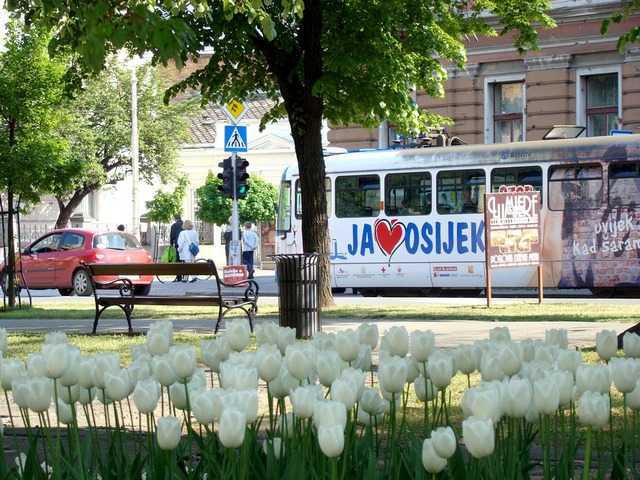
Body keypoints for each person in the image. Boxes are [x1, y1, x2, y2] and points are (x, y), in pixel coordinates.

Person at [169, 214, 184, 282]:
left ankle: (179, 277)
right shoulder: (185, 224)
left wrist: (171, 244)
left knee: (178, 260)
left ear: (175, 218)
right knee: (185, 261)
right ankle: (185, 276)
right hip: (185, 245)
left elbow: (172, 236)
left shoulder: (174, 226)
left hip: (178, 245)